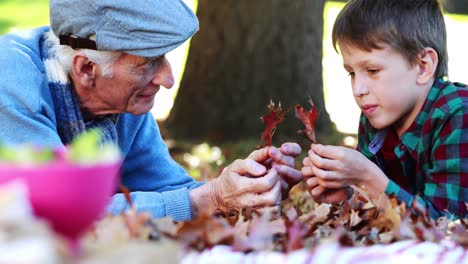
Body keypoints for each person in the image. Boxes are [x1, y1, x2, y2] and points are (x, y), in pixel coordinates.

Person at [0, 0, 302, 221]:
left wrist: (249, 187)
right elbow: (59, 215)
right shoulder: (12, 89)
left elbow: (171, 190)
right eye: (148, 62)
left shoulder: (120, 101)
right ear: (86, 69)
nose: (167, 80)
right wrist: (209, 198)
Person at [302, 0, 467, 219]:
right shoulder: (376, 117)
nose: (358, 89)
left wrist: (367, 177)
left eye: (372, 70)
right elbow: (382, 210)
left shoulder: (457, 116)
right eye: (351, 73)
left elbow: (449, 224)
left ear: (423, 66)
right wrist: (347, 198)